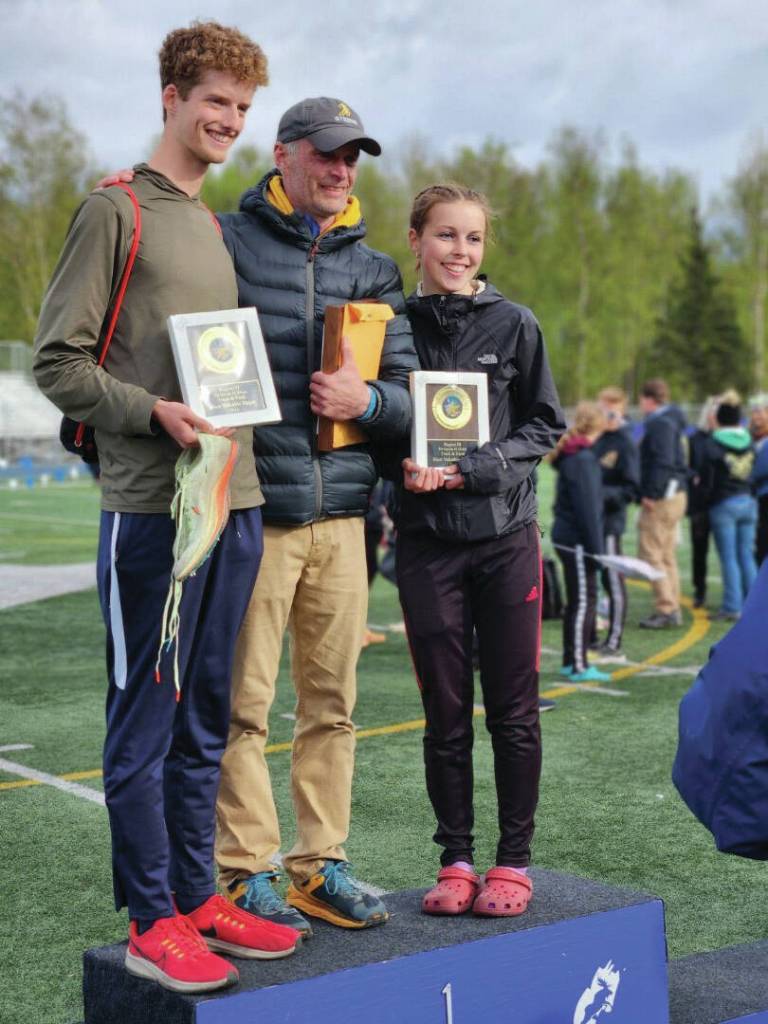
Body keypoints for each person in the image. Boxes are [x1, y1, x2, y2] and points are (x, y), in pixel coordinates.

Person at [33, 22, 300, 994]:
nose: (227, 120)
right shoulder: (117, 211)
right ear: (171, 100)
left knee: (209, 718)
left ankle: (196, 895)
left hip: (235, 502)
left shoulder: (213, 223)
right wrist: (156, 413)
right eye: (213, 102)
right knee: (143, 722)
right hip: (152, 511)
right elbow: (56, 363)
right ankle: (152, 917)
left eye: (240, 107)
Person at [213, 98, 419, 935]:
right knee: (242, 705)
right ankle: (243, 869)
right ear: (284, 155)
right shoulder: (227, 243)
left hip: (342, 520)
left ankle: (318, 864)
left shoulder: (372, 270)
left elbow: (410, 399)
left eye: (352, 158)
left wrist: (365, 398)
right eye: (327, 155)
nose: (340, 171)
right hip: (254, 511)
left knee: (331, 704)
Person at [392, 184, 564, 917]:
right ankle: (456, 858)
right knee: (445, 712)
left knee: (514, 712)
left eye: (474, 239)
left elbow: (545, 426)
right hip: (427, 543)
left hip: (505, 541)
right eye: (446, 236)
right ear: (415, 240)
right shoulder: (389, 326)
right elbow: (374, 420)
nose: (460, 252)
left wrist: (479, 466)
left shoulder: (514, 323)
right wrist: (395, 463)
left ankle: (513, 862)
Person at [550, 402, 611, 683]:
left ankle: (570, 660)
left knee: (578, 601)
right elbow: (588, 510)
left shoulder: (575, 456)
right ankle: (578, 664)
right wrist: (598, 552)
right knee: (584, 601)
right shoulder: (582, 460)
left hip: (569, 537)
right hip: (576, 540)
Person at [590, 386, 640, 655]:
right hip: (590, 521)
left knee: (612, 578)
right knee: (592, 579)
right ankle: (593, 633)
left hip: (609, 522)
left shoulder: (625, 443)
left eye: (610, 408)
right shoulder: (597, 438)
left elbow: (631, 488)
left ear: (620, 410)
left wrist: (601, 496)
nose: (605, 413)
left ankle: (614, 639)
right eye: (602, 407)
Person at [636, 378, 688, 629]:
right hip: (676, 493)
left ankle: (667, 607)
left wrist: (651, 493)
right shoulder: (672, 419)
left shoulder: (660, 424)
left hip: (663, 495)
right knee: (666, 554)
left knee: (651, 554)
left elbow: (663, 461)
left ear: (648, 399)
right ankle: (673, 605)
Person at [700, 400, 758, 621]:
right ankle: (753, 605)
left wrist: (703, 501)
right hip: (748, 501)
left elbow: (707, 479)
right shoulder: (749, 440)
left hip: (723, 503)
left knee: (729, 558)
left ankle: (732, 606)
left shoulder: (712, 443)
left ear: (719, 418)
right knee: (746, 555)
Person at [687, 395, 724, 609]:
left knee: (726, 551)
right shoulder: (695, 439)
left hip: (721, 500)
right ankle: (699, 590)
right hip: (700, 503)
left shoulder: (729, 437)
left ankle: (732, 594)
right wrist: (694, 476)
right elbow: (689, 466)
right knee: (699, 551)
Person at [749, 401, 768, 564]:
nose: (757, 416)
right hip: (753, 497)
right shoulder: (748, 438)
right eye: (754, 413)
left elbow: (761, 470)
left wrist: (746, 478)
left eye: (761, 412)